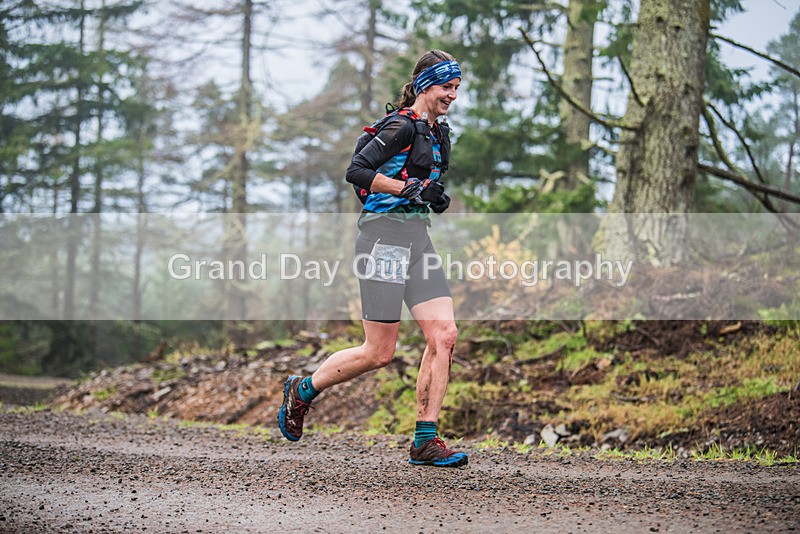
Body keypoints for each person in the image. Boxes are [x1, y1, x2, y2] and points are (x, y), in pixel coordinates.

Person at [278, 50, 467, 468]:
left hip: (417, 241)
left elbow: (417, 182)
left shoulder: (438, 133)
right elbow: (357, 170)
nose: (452, 94)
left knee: (445, 336)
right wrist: (411, 191)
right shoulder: (400, 125)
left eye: (456, 87)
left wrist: (430, 196)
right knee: (378, 353)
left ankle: (425, 439)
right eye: (444, 86)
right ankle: (303, 389)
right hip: (382, 240)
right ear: (423, 86)